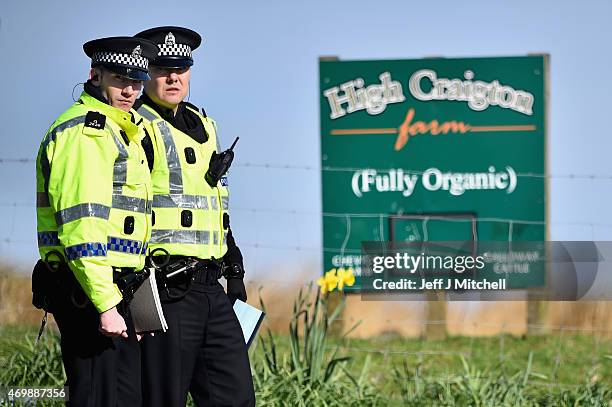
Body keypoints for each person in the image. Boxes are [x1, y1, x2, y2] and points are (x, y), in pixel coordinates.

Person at [133, 26, 255, 407]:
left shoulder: (204, 124)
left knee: (235, 398)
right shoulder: (136, 127)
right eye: (162, 67)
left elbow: (212, 203)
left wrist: (233, 267)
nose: (173, 77)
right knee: (162, 399)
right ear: (145, 71)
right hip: (163, 288)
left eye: (181, 67)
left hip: (211, 289)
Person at [34, 36, 158, 406]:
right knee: (96, 397)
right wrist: (105, 305)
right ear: (95, 74)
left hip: (115, 286)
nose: (131, 90)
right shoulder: (86, 132)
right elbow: (82, 226)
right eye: (120, 80)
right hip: (88, 290)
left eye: (137, 81)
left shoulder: (123, 129)